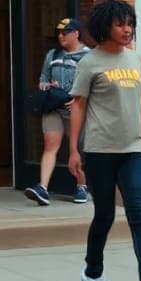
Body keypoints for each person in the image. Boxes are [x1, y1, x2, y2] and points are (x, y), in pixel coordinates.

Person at [68, 0, 141, 281]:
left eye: (130, 24)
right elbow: (79, 105)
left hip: (133, 149)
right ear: (105, 27)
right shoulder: (90, 62)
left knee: (139, 215)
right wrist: (74, 150)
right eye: (121, 24)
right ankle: (93, 272)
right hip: (100, 150)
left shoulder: (136, 60)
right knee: (105, 216)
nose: (127, 29)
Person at [25, 17, 91, 206]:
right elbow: (43, 78)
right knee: (50, 145)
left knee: (76, 148)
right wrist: (46, 86)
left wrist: (80, 100)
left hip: (75, 109)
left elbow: (94, 84)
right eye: (59, 33)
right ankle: (43, 188)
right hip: (53, 107)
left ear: (76, 34)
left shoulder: (88, 57)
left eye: (65, 32)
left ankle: (81, 186)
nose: (61, 36)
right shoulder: (52, 55)